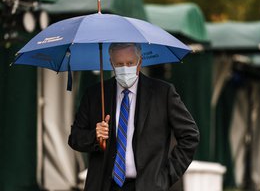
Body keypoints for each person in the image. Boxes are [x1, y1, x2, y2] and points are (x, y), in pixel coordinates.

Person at [68, 43, 199, 191]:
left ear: (140, 62)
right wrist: (94, 135)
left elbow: (190, 135)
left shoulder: (163, 93)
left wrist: (166, 176)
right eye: (119, 64)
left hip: (147, 186)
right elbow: (75, 138)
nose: (124, 68)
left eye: (130, 63)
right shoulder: (95, 95)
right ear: (111, 63)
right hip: (103, 186)